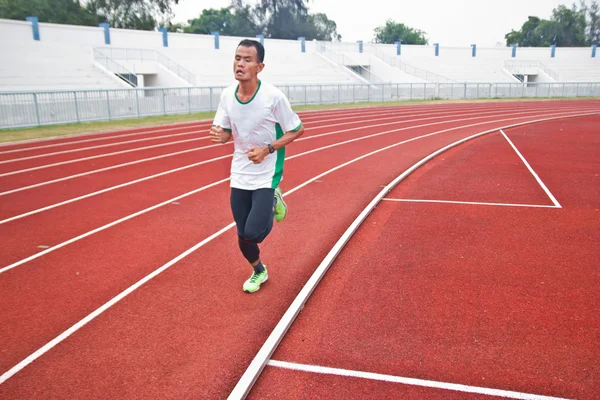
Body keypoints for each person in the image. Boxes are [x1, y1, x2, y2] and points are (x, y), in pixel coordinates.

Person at [209, 39, 304, 293]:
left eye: (247, 59)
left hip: (266, 172)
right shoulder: (227, 95)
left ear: (259, 66)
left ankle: (274, 199)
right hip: (239, 173)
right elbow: (227, 130)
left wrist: (267, 149)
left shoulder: (272, 97)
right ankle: (259, 271)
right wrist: (222, 136)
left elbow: (296, 130)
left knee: (255, 233)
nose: (240, 64)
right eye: (237, 58)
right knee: (243, 237)